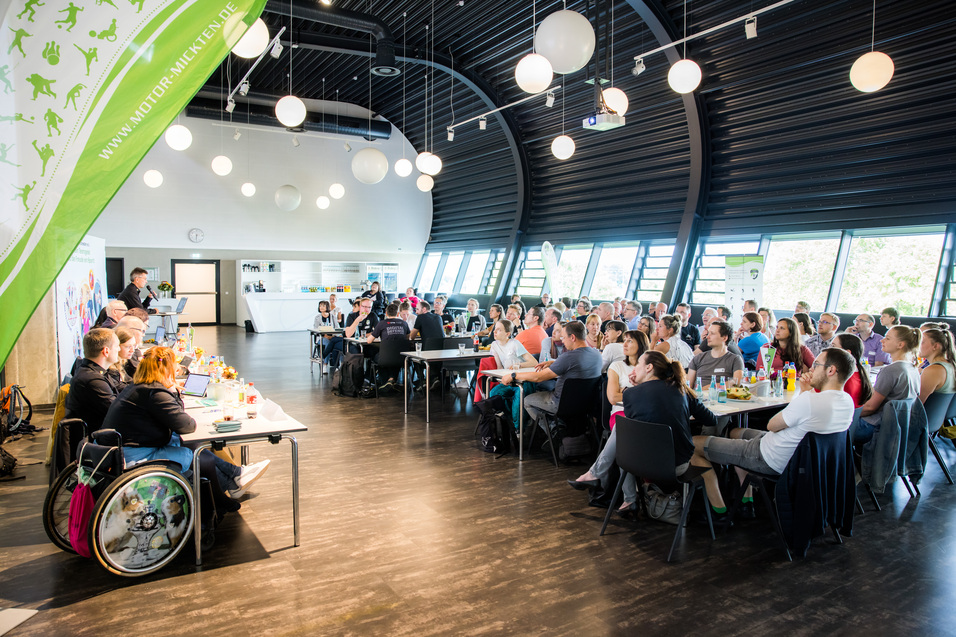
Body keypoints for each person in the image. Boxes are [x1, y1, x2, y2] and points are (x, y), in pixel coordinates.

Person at [103, 347, 270, 516]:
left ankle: (233, 479)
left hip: (125, 449)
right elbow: (187, 426)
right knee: (195, 454)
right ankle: (225, 492)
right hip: (135, 456)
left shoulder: (138, 387)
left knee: (194, 447)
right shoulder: (155, 393)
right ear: (167, 369)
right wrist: (174, 392)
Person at [692, 348, 856, 519]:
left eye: (816, 365)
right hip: (799, 459)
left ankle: (718, 511)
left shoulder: (809, 400)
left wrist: (805, 393)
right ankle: (746, 500)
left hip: (768, 456)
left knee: (695, 442)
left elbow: (772, 425)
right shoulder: (847, 401)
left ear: (831, 370)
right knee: (734, 432)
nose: (811, 369)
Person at [572, 350, 720, 514]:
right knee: (624, 434)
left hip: (637, 464)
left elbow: (640, 419)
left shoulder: (630, 394)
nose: (635, 368)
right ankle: (600, 479)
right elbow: (711, 420)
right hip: (676, 465)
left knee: (623, 435)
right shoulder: (681, 390)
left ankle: (622, 494)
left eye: (639, 364)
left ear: (649, 367)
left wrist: (636, 388)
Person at [568, 332, 652, 509]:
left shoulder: (649, 367)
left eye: (630, 341)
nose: (625, 344)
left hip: (643, 416)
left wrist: (628, 391)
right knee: (623, 431)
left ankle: (598, 476)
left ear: (641, 344)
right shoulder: (617, 366)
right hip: (620, 414)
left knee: (624, 447)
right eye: (625, 340)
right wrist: (637, 391)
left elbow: (652, 395)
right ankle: (629, 497)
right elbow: (613, 397)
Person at [505, 321, 603, 435]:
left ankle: (553, 430)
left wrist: (514, 375)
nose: (562, 340)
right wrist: (554, 362)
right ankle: (559, 427)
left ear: (572, 337)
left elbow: (538, 377)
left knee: (527, 400)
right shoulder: (597, 355)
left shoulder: (567, 357)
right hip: (587, 404)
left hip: (560, 403)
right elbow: (574, 365)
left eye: (564, 337)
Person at [850, 325, 921, 443]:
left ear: (900, 345)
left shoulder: (891, 370)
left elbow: (870, 408)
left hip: (875, 426)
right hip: (895, 425)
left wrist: (846, 414)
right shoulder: (913, 368)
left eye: (887, 338)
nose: (882, 340)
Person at [64, 329, 122, 457]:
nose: (119, 350)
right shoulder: (92, 379)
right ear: (106, 351)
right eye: (117, 346)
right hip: (97, 443)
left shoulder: (90, 371)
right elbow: (116, 412)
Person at [688, 320, 745, 389]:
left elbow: (736, 383)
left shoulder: (735, 359)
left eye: (712, 333)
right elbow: (688, 387)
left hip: (722, 397)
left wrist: (710, 387)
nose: (707, 337)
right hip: (698, 398)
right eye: (708, 333)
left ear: (724, 338)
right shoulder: (698, 358)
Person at [367, 303, 411, 388]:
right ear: (398, 314)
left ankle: (383, 382)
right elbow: (407, 338)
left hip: (385, 359)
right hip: (402, 359)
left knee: (378, 355)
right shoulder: (404, 323)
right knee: (394, 354)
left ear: (386, 313)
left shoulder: (382, 323)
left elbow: (369, 341)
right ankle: (391, 379)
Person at [831, 333, 874, 408]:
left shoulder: (842, 379)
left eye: (833, 346)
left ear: (847, 352)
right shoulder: (860, 373)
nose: (829, 349)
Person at [918, 329, 956, 405]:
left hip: (923, 416)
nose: (917, 345)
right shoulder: (951, 365)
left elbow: (916, 403)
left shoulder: (933, 370)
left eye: (921, 342)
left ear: (935, 346)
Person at [105, 326, 137, 391]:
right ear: (116, 346)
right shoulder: (110, 369)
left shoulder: (122, 361)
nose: (132, 350)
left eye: (133, 345)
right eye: (128, 347)